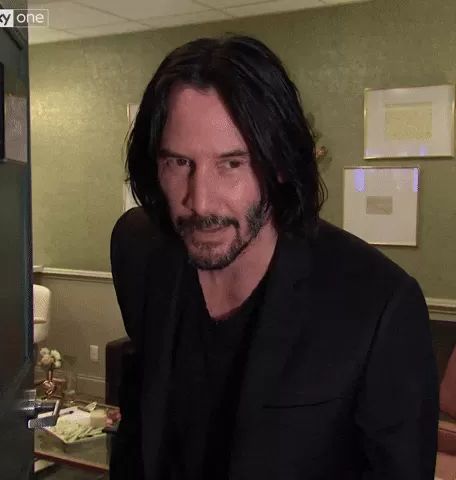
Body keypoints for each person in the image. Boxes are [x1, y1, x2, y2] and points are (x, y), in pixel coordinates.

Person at [109, 34, 439, 480]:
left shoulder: (380, 302)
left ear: (280, 164)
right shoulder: (138, 248)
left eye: (232, 163)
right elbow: (143, 427)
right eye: (179, 163)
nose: (200, 201)